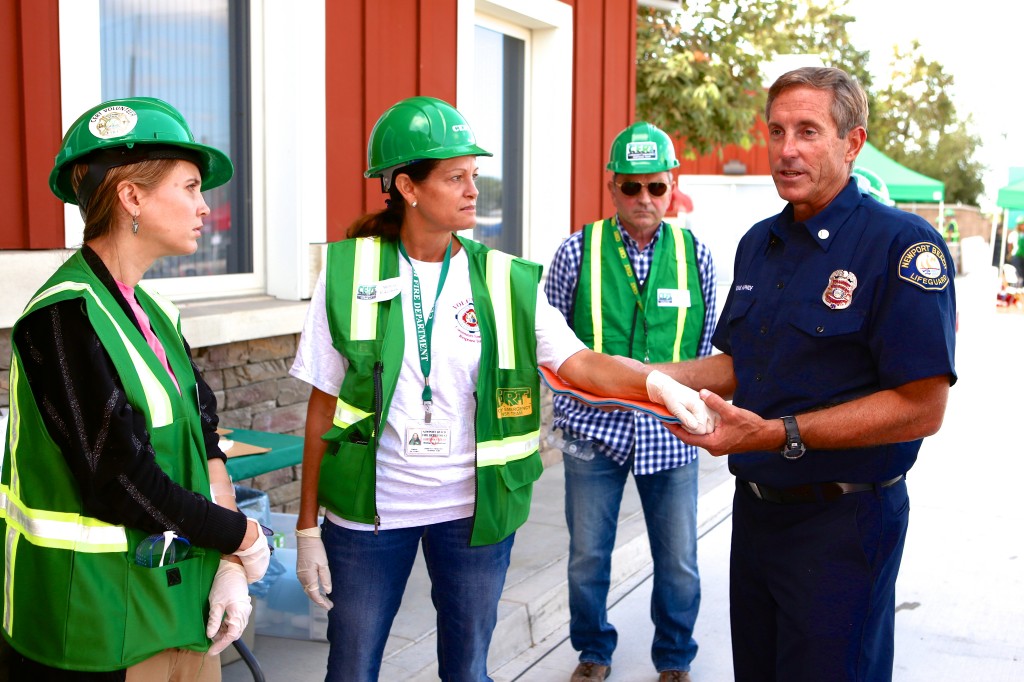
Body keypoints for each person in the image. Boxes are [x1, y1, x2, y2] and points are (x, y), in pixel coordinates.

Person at [288, 96, 716, 682]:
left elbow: (580, 362)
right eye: (456, 177)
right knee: (352, 669)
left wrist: (655, 383)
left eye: (475, 176)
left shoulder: (503, 278)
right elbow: (322, 407)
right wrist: (307, 525)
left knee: (468, 672)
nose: (473, 190)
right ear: (408, 187)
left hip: (474, 515)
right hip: (369, 519)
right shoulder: (348, 273)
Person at [658, 67, 957, 681]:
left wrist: (777, 433)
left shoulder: (902, 247)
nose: (786, 149)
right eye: (775, 130)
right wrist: (640, 377)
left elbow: (922, 408)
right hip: (759, 517)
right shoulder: (758, 244)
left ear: (852, 143)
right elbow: (739, 365)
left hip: (843, 524)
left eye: (808, 131)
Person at [1, 97, 272, 680]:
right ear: (132, 198)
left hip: (175, 608)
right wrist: (244, 535)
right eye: (192, 187)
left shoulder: (155, 311)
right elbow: (118, 479)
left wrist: (227, 558)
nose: (205, 207)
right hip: (94, 625)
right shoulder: (63, 319)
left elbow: (204, 435)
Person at [544, 122, 717, 682]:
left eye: (656, 188)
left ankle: (674, 660)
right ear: (612, 186)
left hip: (672, 436)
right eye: (631, 187)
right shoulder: (576, 252)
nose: (644, 199)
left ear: (674, 184)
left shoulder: (697, 256)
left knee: (679, 564)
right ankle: (593, 653)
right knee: (588, 558)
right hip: (595, 434)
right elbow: (551, 344)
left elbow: (708, 345)